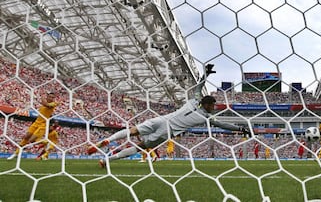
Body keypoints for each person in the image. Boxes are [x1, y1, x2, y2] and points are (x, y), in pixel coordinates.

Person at [87, 64, 250, 168]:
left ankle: (108, 139)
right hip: (167, 130)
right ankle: (106, 161)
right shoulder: (206, 117)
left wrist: (205, 75)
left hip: (161, 119)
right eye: (212, 105)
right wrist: (241, 129)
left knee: (133, 130)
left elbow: (198, 89)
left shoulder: (194, 101)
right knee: (140, 147)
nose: (213, 108)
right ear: (207, 105)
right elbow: (223, 125)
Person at [7, 91, 59, 160]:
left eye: (53, 97)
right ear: (48, 96)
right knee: (26, 137)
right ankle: (15, 154)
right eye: (50, 97)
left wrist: (42, 97)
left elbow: (45, 104)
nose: (51, 98)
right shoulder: (43, 106)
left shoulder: (54, 104)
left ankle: (46, 142)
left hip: (43, 125)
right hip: (36, 122)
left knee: (31, 140)